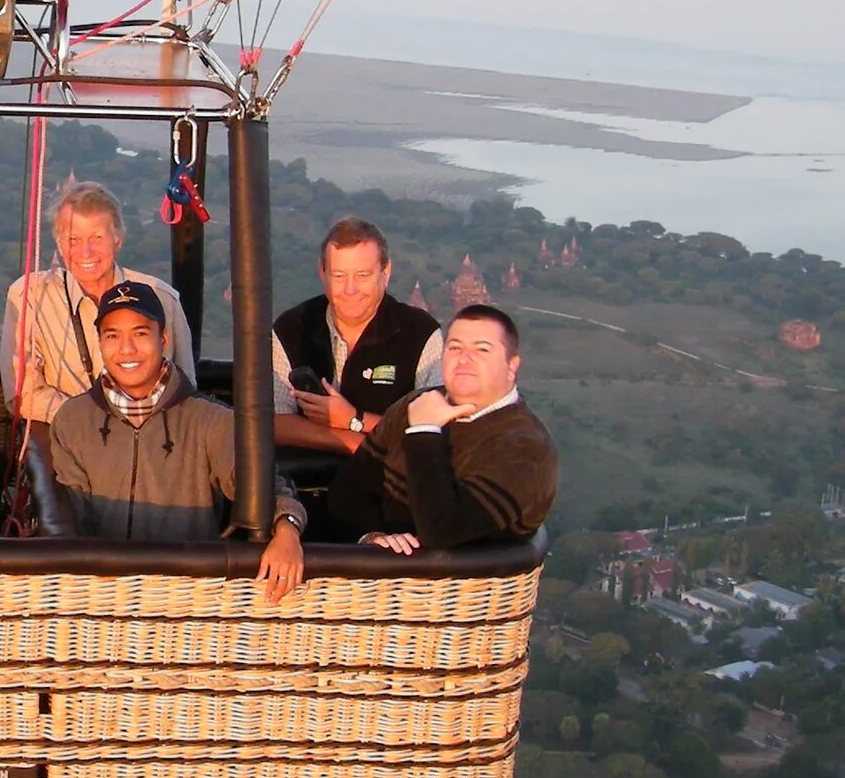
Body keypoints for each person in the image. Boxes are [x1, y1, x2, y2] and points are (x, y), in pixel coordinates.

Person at [46, 282, 304, 600]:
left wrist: (288, 527)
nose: (126, 349)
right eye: (113, 336)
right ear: (99, 342)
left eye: (140, 334)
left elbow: (268, 485)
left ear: (163, 339)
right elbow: (71, 519)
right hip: (100, 597)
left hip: (188, 598)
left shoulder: (211, 421)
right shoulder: (72, 420)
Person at [352, 304, 558, 552]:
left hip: (462, 587)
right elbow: (351, 490)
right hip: (373, 579)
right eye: (454, 347)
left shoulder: (524, 447)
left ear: (511, 366)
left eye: (482, 350)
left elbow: (442, 533)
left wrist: (424, 433)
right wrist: (371, 536)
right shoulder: (414, 405)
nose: (464, 359)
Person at [2, 178, 196, 422]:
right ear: (60, 246)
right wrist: (92, 422)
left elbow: (184, 389)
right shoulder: (30, 296)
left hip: (150, 440)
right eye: (74, 240)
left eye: (96, 238)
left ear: (118, 239)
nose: (86, 252)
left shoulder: (162, 298)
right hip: (70, 439)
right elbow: (23, 394)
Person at [272, 218, 439, 458]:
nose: (350, 289)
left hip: (389, 486)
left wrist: (354, 419)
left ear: (385, 272)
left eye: (362, 275)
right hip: (301, 485)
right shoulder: (292, 327)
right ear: (322, 272)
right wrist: (354, 443)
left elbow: (434, 428)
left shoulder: (420, 332)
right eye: (339, 276)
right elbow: (276, 423)